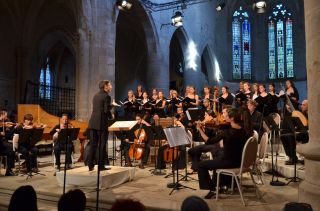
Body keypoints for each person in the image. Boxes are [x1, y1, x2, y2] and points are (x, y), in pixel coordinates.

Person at [197, 108, 253, 199]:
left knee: (201, 165)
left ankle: (212, 189)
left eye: (226, 116)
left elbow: (209, 141)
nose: (224, 117)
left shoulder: (227, 133)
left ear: (232, 118)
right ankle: (221, 185)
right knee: (217, 156)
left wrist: (200, 129)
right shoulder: (245, 130)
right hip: (241, 161)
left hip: (229, 162)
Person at [87, 80, 113, 171]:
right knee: (102, 145)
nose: (111, 87)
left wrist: (109, 112)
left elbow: (100, 109)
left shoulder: (95, 96)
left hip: (93, 123)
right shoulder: (107, 96)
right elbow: (106, 110)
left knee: (93, 144)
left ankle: (90, 164)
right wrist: (112, 106)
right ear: (105, 86)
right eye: (110, 85)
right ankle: (101, 166)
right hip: (101, 124)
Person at [188, 110, 224, 174]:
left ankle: (197, 166)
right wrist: (201, 126)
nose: (204, 116)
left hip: (213, 144)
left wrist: (200, 128)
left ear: (210, 116)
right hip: (210, 143)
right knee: (194, 150)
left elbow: (207, 139)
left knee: (195, 149)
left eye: (206, 115)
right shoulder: (207, 123)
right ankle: (195, 167)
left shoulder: (212, 125)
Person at [280, 100, 308, 165]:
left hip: (308, 133)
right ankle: (291, 156)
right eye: (301, 105)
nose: (301, 106)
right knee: (283, 136)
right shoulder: (301, 113)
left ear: (308, 106)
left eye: (304, 105)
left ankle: (293, 158)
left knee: (290, 136)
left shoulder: (311, 114)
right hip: (302, 132)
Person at [0, 109, 16, 176]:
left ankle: (9, 170)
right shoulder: (1, 124)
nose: (6, 118)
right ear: (1, 115)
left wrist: (13, 128)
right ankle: (9, 170)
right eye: (5, 116)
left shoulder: (4, 123)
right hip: (1, 144)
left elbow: (7, 136)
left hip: (2, 143)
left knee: (12, 149)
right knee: (10, 148)